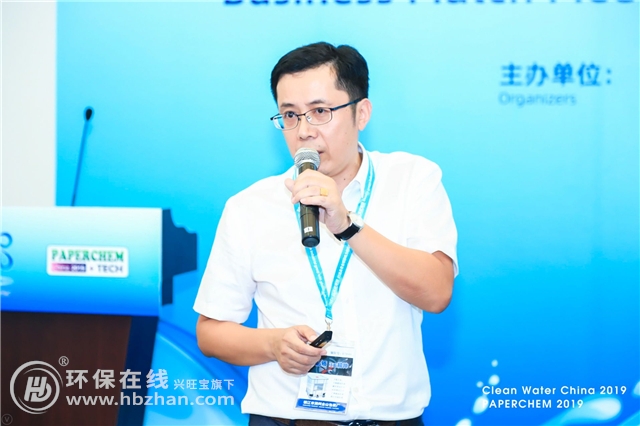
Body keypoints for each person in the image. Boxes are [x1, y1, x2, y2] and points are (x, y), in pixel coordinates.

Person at [194, 42, 458, 426]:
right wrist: (272, 343)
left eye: (320, 112)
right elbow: (210, 333)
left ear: (361, 113)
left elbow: (437, 292)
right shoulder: (249, 206)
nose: (304, 132)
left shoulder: (412, 180)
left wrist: (346, 224)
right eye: (290, 115)